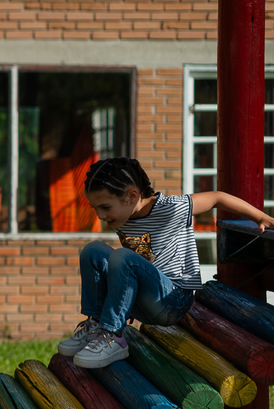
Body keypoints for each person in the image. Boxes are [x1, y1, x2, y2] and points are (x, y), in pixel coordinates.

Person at [62, 157, 274, 368]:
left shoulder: (170, 208)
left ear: (131, 196)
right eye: (95, 208)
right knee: (94, 251)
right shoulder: (121, 215)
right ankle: (96, 325)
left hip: (173, 300)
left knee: (122, 256)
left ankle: (113, 337)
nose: (100, 215)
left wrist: (261, 217)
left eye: (105, 207)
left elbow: (217, 198)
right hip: (141, 301)